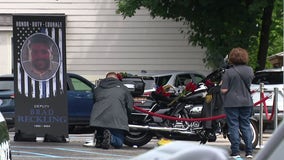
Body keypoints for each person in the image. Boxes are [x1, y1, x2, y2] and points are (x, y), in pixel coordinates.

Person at [85, 72, 134, 149]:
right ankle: (110, 137)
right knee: (119, 143)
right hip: (116, 119)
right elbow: (129, 106)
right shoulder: (123, 88)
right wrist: (127, 116)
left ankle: (100, 138)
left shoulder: (97, 89)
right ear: (117, 79)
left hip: (98, 120)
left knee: (101, 128)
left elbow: (94, 102)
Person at [220, 47, 254, 159]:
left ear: (231, 58)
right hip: (246, 101)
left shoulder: (228, 72)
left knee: (233, 126)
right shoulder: (250, 70)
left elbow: (224, 90)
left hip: (231, 102)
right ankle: (249, 152)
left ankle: (235, 152)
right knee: (245, 125)